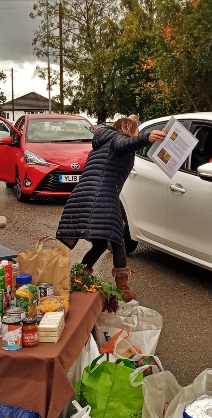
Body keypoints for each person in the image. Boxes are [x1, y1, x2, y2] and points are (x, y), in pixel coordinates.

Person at [56, 118, 166, 301]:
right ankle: (123, 289)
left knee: (100, 243)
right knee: (118, 240)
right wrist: (147, 138)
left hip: (82, 195)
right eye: (135, 132)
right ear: (126, 130)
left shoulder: (100, 144)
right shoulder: (117, 139)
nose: (136, 135)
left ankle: (79, 279)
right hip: (101, 195)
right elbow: (124, 143)